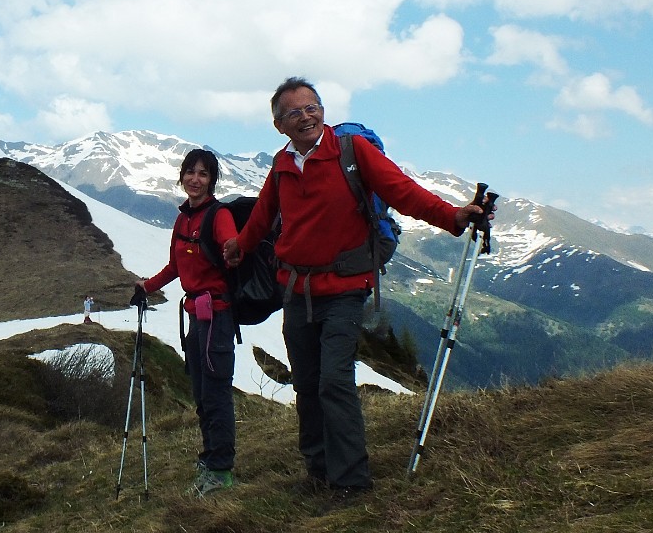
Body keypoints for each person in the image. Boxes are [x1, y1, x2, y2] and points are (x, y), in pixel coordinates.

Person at [224, 77, 489, 506]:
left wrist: (454, 216)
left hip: (344, 288)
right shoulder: (282, 164)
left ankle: (350, 482)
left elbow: (402, 192)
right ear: (279, 125)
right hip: (296, 289)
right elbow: (263, 216)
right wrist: (241, 246)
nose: (307, 116)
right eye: (295, 112)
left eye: (313, 107)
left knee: (334, 381)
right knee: (307, 383)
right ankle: (318, 470)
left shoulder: (351, 151)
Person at [136, 148, 240, 497]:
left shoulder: (217, 215)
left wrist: (233, 248)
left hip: (218, 316)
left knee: (215, 395)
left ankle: (221, 471)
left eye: (204, 174)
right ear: (182, 176)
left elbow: (233, 249)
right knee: (201, 393)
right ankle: (210, 459)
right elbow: (175, 267)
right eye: (190, 172)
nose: (195, 179)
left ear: (212, 181)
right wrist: (146, 288)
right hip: (196, 315)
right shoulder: (183, 220)